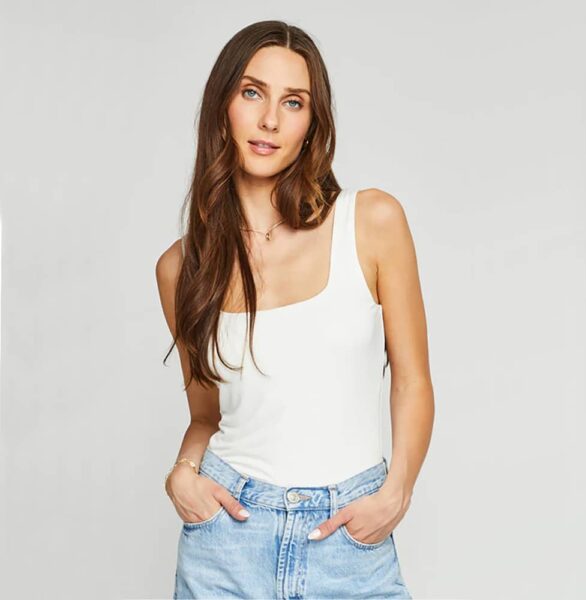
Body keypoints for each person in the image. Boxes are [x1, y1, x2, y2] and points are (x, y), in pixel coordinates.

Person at [156, 20, 434, 600]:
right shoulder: (182, 268)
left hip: (348, 540)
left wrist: (397, 491)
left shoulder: (372, 222)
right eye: (252, 93)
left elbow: (412, 380)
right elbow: (206, 417)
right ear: (222, 106)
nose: (270, 121)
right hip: (225, 546)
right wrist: (182, 474)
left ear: (312, 123)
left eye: (293, 102)